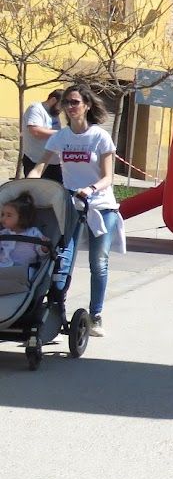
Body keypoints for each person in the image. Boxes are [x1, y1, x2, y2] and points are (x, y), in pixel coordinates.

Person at [29, 84, 120, 338]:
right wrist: (28, 184)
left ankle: (96, 314)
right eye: (67, 102)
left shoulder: (99, 137)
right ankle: (57, 311)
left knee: (98, 263)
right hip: (70, 206)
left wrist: (90, 189)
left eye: (75, 102)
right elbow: (40, 166)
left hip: (101, 205)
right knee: (61, 259)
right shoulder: (61, 137)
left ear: (87, 106)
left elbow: (107, 177)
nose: (69, 107)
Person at [20, 89, 62, 182]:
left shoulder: (54, 113)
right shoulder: (36, 108)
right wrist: (63, 133)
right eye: (61, 105)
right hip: (36, 161)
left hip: (54, 162)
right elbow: (35, 131)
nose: (62, 109)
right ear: (53, 100)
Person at [0, 193, 48, 268]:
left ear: (21, 218)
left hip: (25, 270)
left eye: (8, 215)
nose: (3, 218)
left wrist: (44, 247)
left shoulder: (33, 232)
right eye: (2, 214)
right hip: (4, 267)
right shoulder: (3, 233)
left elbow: (41, 253)